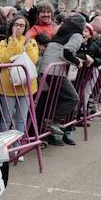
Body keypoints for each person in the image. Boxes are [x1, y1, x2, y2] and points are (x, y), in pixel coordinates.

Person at [37, 12, 87, 146]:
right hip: (55, 72)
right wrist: (77, 62)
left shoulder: (60, 33)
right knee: (73, 98)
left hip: (45, 71)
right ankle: (53, 121)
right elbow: (66, 52)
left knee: (46, 101)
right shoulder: (77, 35)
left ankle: (44, 128)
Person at [0, 13, 37, 132]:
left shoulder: (31, 41)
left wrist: (25, 45)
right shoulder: (4, 42)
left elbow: (33, 59)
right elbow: (3, 59)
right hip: (7, 86)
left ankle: (18, 147)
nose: (18, 27)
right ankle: (3, 147)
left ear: (25, 28)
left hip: (25, 86)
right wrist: (13, 41)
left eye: (22, 25)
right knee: (6, 119)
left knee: (21, 119)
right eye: (16, 25)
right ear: (11, 26)